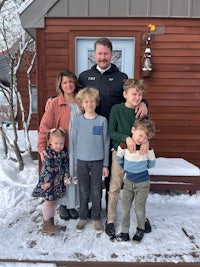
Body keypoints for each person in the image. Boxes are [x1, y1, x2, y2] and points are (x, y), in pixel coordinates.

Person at [78, 37, 148, 210]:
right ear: (94, 54)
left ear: (111, 54)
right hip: (91, 133)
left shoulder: (121, 77)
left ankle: (109, 209)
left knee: (111, 175)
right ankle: (90, 207)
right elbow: (72, 95)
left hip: (114, 133)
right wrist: (52, 99)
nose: (103, 57)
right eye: (100, 53)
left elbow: (133, 94)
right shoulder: (85, 77)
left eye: (106, 54)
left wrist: (144, 103)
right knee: (91, 173)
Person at [105, 79, 150, 240]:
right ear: (125, 94)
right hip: (120, 152)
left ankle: (141, 218)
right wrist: (126, 138)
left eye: (139, 94)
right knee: (115, 187)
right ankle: (110, 220)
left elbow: (146, 131)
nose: (137, 97)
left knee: (138, 187)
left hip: (138, 157)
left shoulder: (142, 110)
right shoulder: (116, 109)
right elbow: (111, 132)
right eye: (133, 94)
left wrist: (146, 141)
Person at [37, 70, 82, 221]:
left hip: (80, 148)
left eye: (70, 81)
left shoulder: (82, 100)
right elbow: (44, 126)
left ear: (75, 83)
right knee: (62, 177)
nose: (68, 84)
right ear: (60, 85)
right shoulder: (55, 103)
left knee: (75, 176)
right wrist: (42, 147)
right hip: (63, 149)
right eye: (65, 82)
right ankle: (63, 205)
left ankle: (72, 205)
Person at [72, 87, 110, 235]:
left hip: (97, 162)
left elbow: (106, 143)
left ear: (96, 103)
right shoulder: (77, 121)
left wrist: (105, 164)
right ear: (82, 104)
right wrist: (75, 162)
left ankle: (96, 217)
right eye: (86, 102)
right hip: (81, 161)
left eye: (92, 101)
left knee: (96, 191)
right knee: (83, 190)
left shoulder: (102, 121)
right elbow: (74, 142)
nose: (89, 104)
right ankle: (82, 216)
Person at [115, 116, 156, 242]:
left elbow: (151, 164)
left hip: (142, 183)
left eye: (145, 137)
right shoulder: (123, 146)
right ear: (133, 130)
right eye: (140, 135)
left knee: (139, 209)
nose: (142, 139)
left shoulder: (146, 149)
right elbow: (119, 160)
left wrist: (148, 151)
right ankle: (124, 232)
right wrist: (127, 167)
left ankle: (140, 229)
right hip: (128, 182)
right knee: (125, 208)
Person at [32, 128, 70, 234]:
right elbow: (47, 168)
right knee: (49, 202)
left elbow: (66, 165)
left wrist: (66, 177)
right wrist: (47, 181)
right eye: (56, 143)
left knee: (53, 202)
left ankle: (51, 223)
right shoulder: (49, 153)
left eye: (61, 143)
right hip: (49, 182)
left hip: (58, 182)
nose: (58, 146)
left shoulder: (63, 152)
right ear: (50, 142)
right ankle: (46, 224)